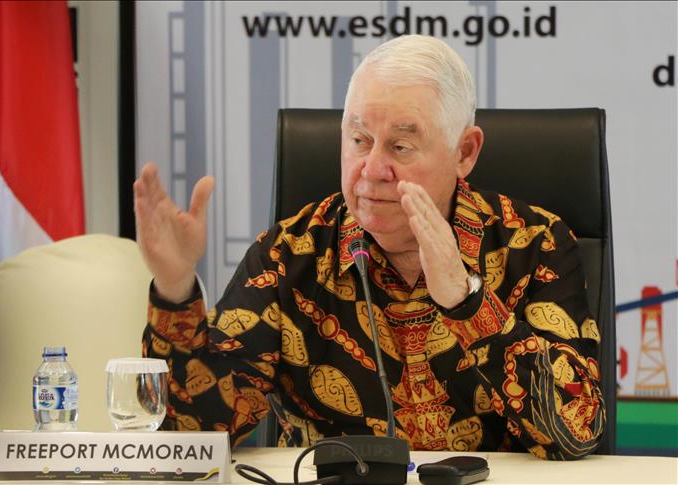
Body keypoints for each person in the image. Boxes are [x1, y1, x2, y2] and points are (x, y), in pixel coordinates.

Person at [134, 35, 605, 460]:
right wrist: (175, 290)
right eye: (359, 140)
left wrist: (469, 303)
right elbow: (191, 435)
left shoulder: (534, 245)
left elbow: (576, 431)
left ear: (464, 152)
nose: (373, 170)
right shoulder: (288, 257)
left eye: (401, 147)